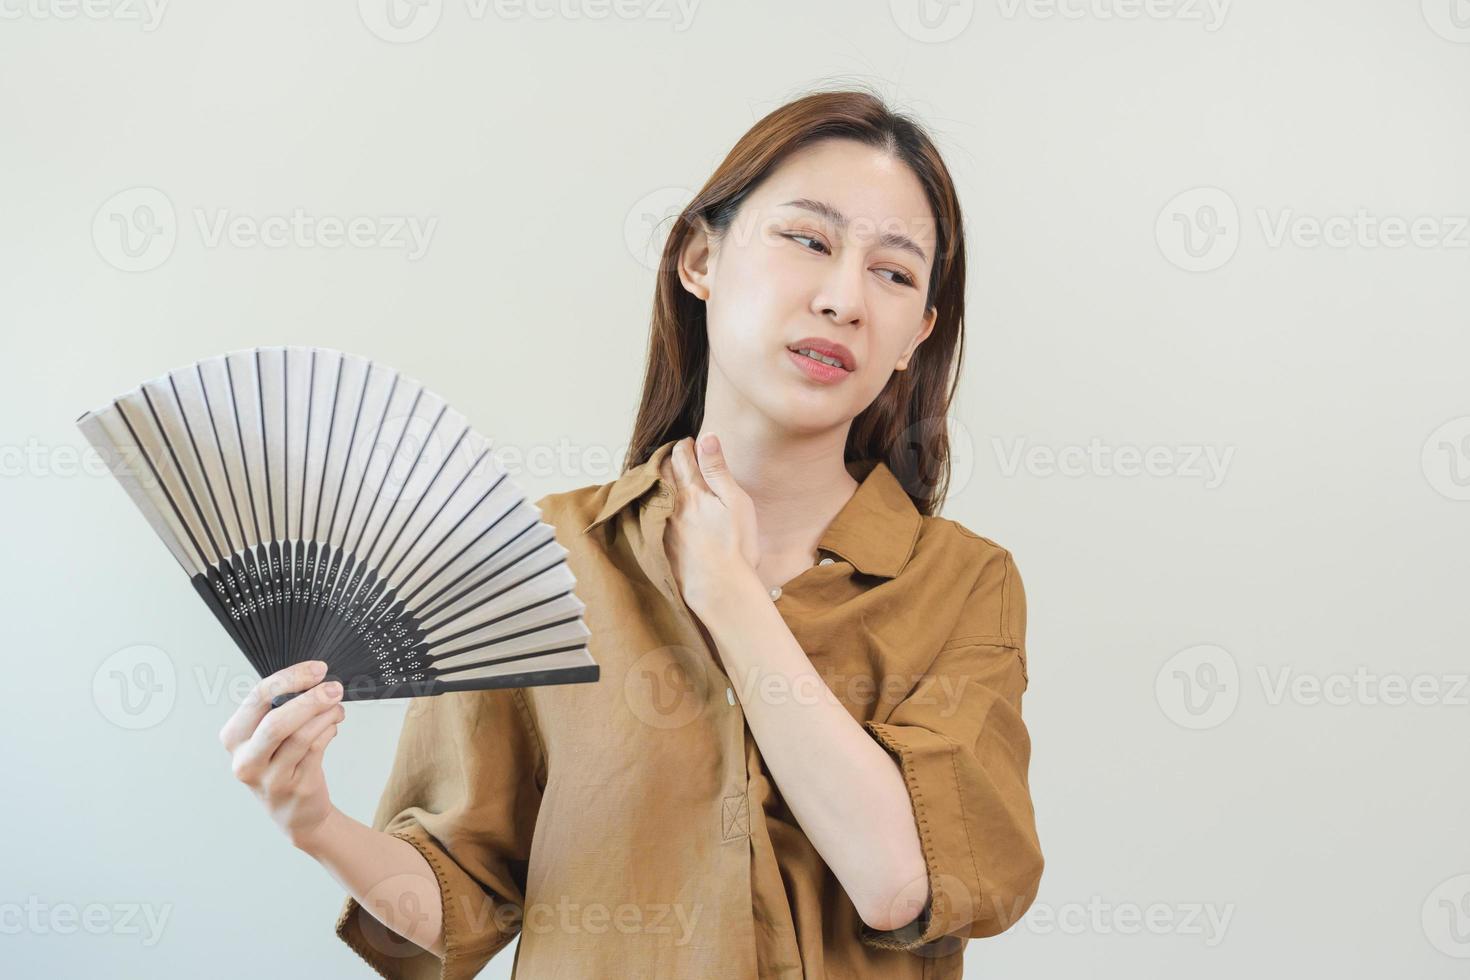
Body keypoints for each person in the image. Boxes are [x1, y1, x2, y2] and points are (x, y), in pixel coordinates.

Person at [219, 85, 1043, 979]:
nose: (845, 298)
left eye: (893, 272)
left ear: (915, 337)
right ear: (699, 258)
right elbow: (455, 903)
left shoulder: (964, 584)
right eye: (809, 240)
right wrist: (313, 823)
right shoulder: (538, 558)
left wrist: (728, 594)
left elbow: (897, 883)